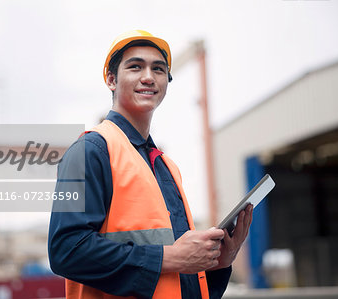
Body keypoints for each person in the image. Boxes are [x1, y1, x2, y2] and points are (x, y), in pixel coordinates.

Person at [48, 30, 253, 299]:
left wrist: (216, 262)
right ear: (111, 79)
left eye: (158, 69)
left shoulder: (166, 167)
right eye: (135, 67)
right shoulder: (90, 151)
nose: (148, 76)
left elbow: (177, 272)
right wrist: (169, 257)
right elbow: (66, 250)